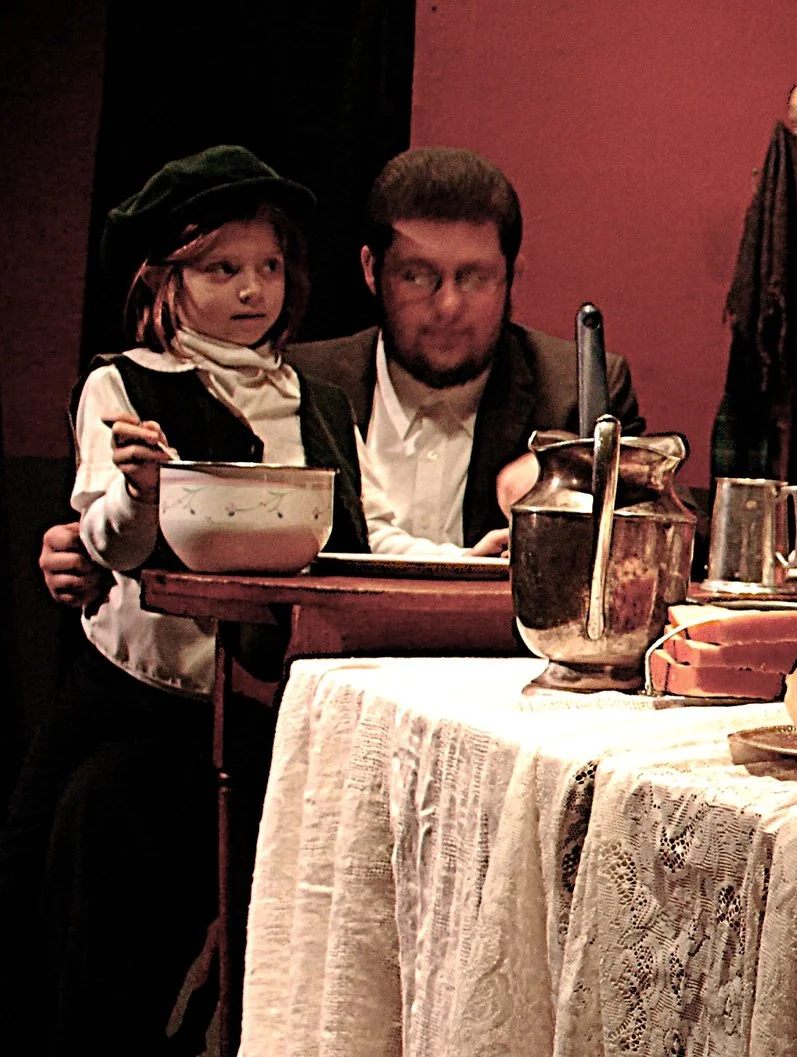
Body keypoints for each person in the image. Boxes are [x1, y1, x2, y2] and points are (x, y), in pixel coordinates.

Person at [0, 146, 494, 1055]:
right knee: (39, 860)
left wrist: (471, 562)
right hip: (135, 696)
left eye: (267, 266)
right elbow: (108, 543)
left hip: (258, 706)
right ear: (167, 279)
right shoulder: (127, 383)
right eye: (221, 269)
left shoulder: (314, 399)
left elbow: (367, 529)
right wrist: (140, 492)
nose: (250, 289)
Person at [38, 146, 643, 605]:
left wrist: (571, 480)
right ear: (371, 270)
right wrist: (93, 540)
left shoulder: (575, 391)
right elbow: (120, 524)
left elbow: (646, 540)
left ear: (512, 275)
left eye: (475, 277)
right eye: (418, 276)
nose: (448, 305)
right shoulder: (302, 378)